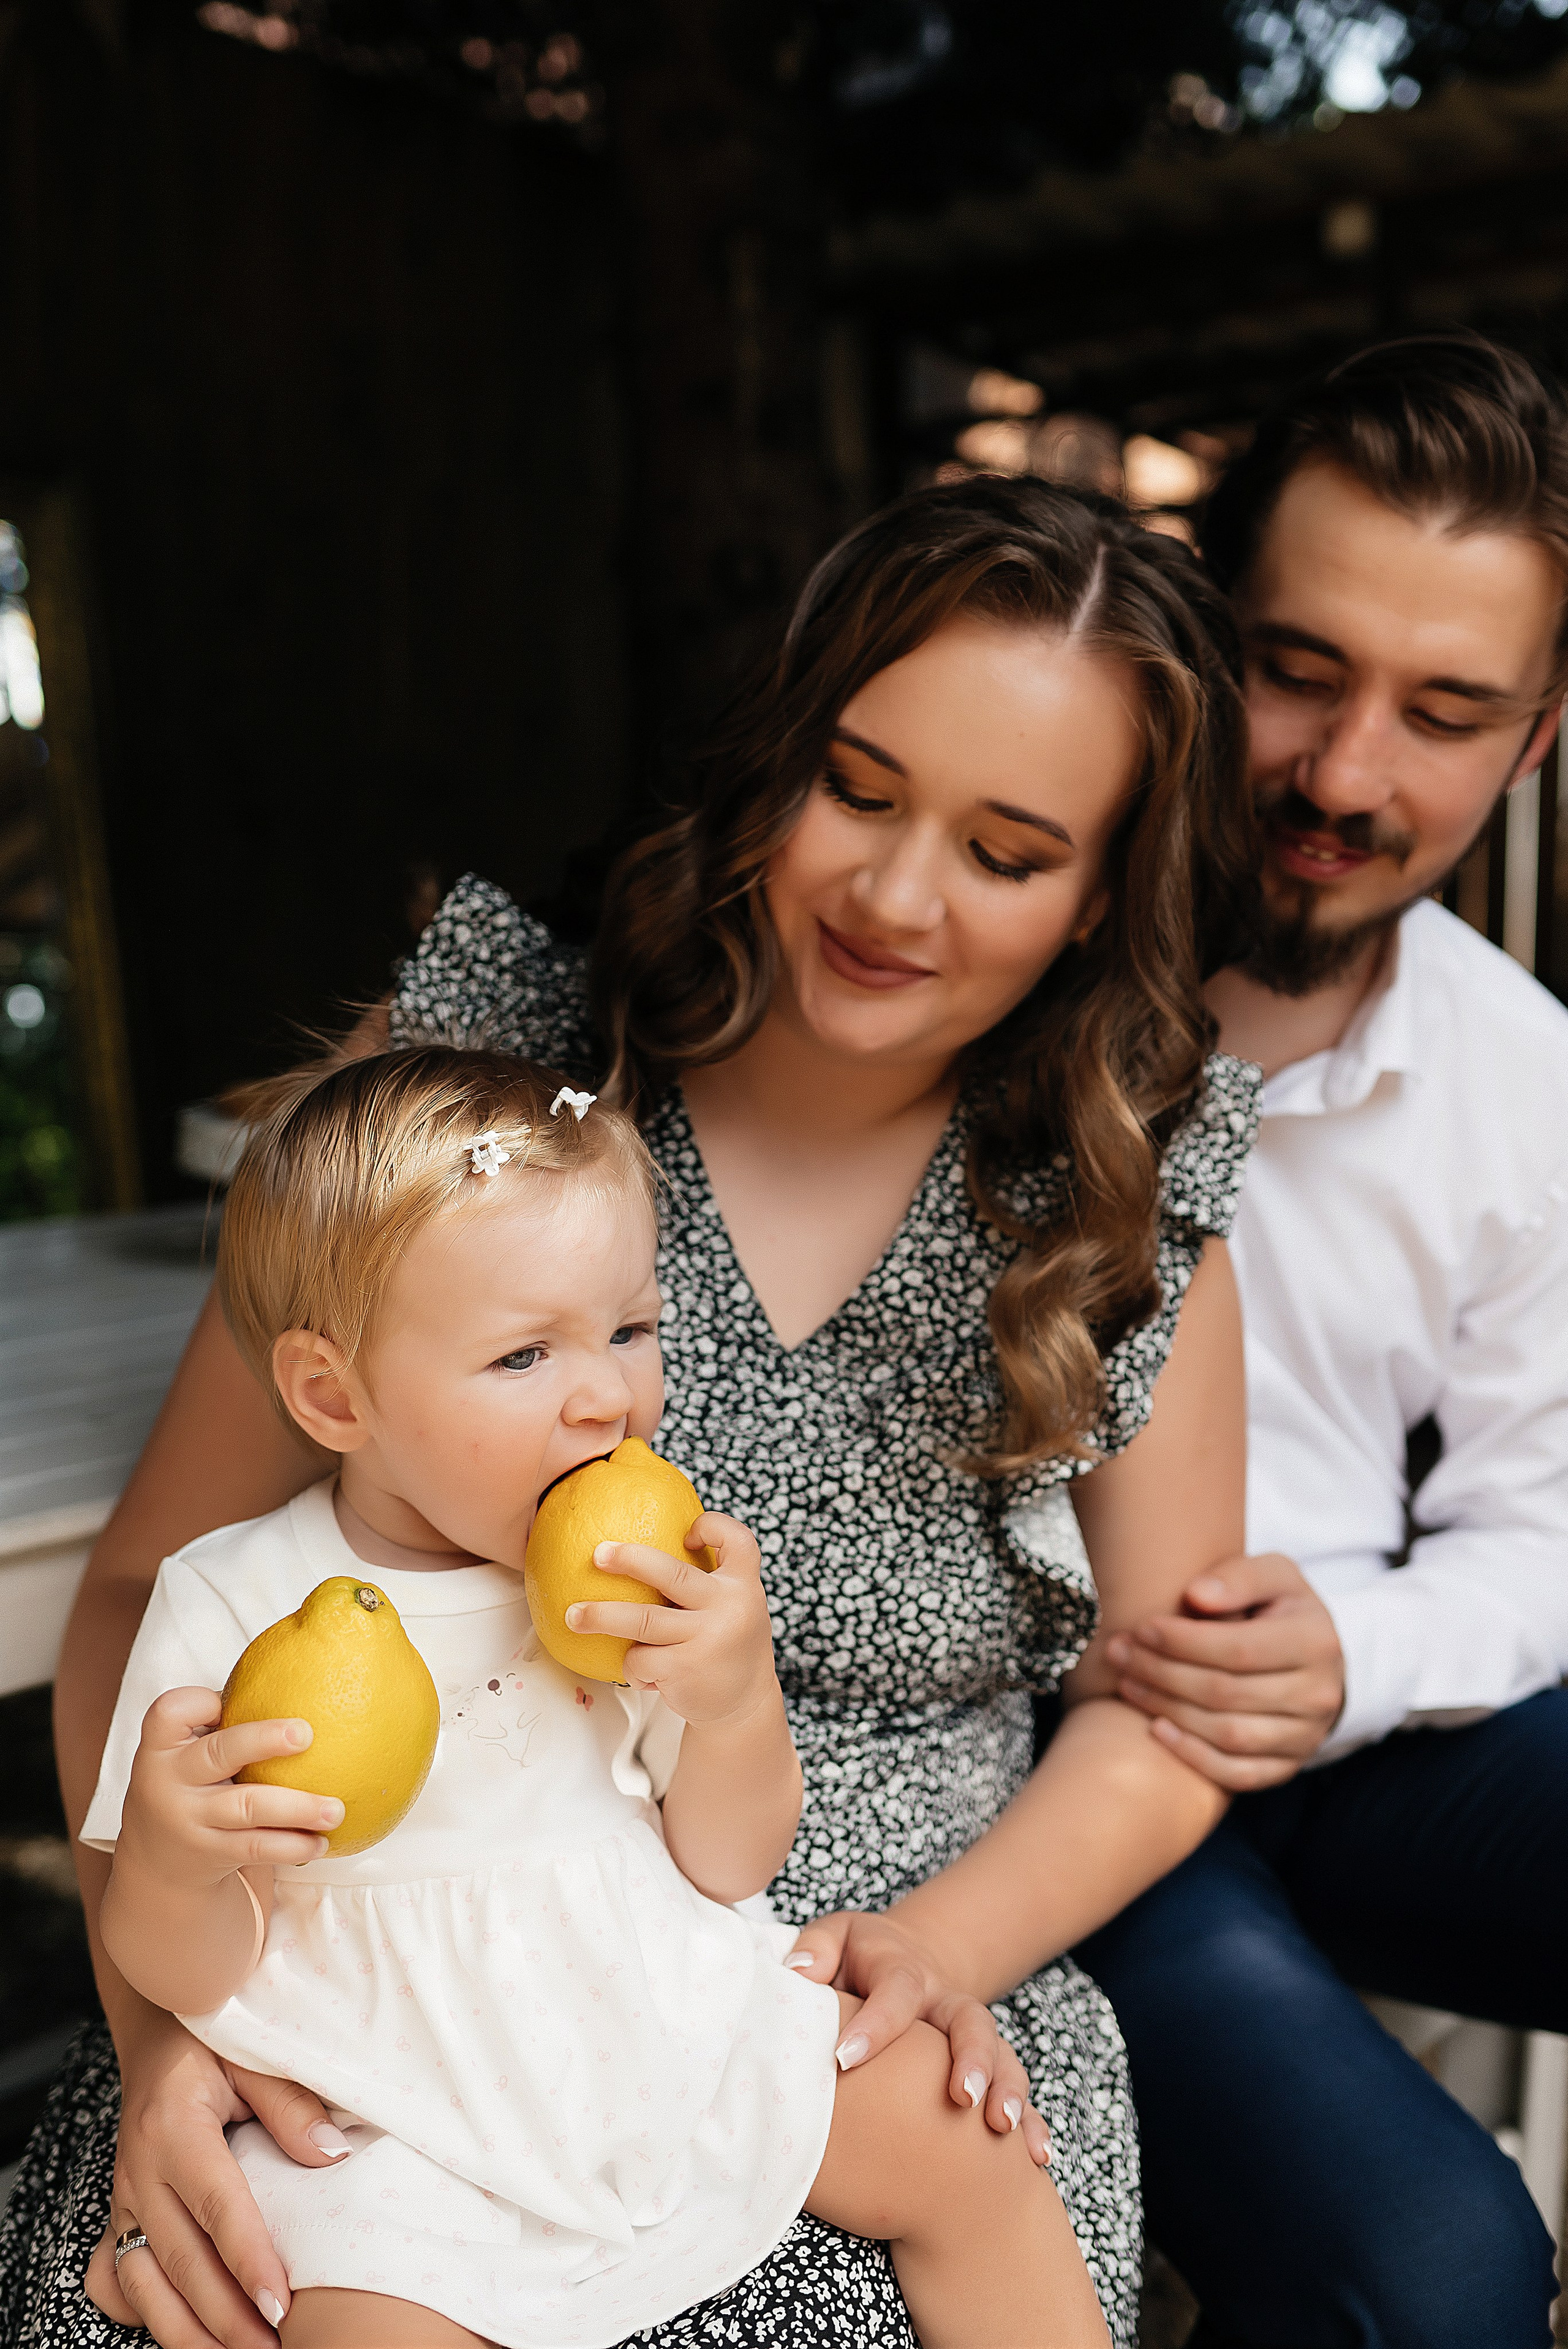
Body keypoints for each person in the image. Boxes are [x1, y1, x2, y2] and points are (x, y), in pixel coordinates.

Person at [3, 478, 1259, 2349]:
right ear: (774, 756)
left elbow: (1172, 1712)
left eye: (1007, 851)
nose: (895, 894)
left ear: (1100, 900)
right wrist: (175, 2028)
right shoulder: (490, 1079)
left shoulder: (1115, 1178)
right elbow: (139, 1601)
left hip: (881, 1961)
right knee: (203, 2291)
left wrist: (935, 1952)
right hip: (364, 1964)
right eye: (858, 785)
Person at [88, 1044, 1109, 2349]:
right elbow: (197, 1967)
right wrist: (175, 1868)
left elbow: (729, 1859)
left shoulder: (625, 1570)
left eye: (630, 1328)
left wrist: (734, 1702)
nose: (606, 1396)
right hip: (391, 2093)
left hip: (652, 2016)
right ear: (333, 1393)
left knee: (961, 2138)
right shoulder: (232, 1601)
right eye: (524, 1355)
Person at [1077, 336, 1568, 2349]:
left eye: (1445, 713)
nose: (1350, 777)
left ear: (1534, 744)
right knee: (1437, 2282)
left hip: (1364, 1747)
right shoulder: (1000, 946)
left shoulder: (1521, 1074)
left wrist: (1356, 1656)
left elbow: (1548, 1531)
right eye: (1302, 667)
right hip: (1044, 1766)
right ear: (1204, 632)